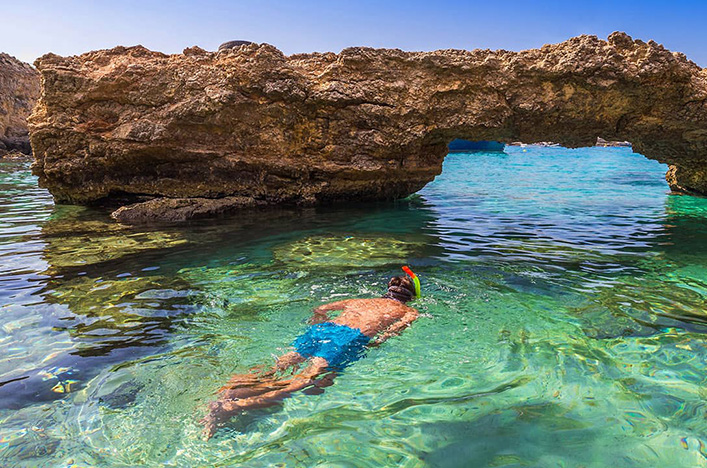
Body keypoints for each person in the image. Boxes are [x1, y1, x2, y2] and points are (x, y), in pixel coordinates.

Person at [201, 275, 420, 439]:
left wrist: (316, 327)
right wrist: (376, 343)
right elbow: (391, 333)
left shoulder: (360, 300)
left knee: (274, 368)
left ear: (388, 289)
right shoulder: (409, 312)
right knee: (303, 382)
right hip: (347, 339)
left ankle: (226, 392)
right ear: (410, 297)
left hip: (324, 329)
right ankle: (231, 407)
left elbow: (321, 308)